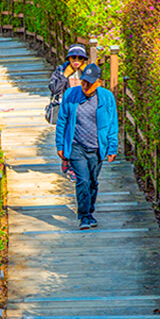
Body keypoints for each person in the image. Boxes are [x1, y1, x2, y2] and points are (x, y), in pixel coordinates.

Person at [55, 63, 119, 230]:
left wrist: (112, 147)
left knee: (92, 181)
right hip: (77, 145)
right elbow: (62, 121)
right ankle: (84, 215)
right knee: (82, 180)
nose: (85, 86)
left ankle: (89, 211)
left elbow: (112, 124)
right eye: (83, 81)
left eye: (89, 83)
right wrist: (60, 145)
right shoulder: (71, 94)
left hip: (97, 147)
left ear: (98, 82)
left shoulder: (106, 97)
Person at [48, 44, 88, 181]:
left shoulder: (88, 71)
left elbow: (97, 86)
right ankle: (68, 162)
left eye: (80, 58)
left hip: (85, 110)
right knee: (68, 137)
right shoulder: (61, 70)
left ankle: (74, 164)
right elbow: (54, 88)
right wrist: (65, 75)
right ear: (68, 58)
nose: (76, 60)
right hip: (67, 109)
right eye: (73, 57)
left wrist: (88, 73)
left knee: (80, 138)